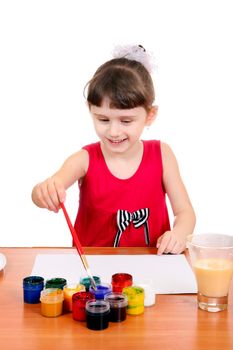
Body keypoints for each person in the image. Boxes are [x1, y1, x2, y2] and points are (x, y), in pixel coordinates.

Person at [31, 44, 196, 254]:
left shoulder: (162, 155)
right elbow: (42, 193)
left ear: (150, 115)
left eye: (126, 121)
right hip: (93, 273)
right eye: (103, 119)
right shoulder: (83, 160)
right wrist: (43, 192)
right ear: (90, 111)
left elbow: (185, 212)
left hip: (152, 267)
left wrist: (179, 234)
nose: (114, 131)